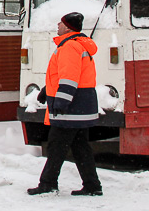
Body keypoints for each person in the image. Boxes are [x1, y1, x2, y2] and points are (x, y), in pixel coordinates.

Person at [28, 12, 103, 197]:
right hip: (81, 106)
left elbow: (69, 77)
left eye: (60, 23)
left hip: (71, 108)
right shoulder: (78, 45)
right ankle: (92, 186)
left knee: (56, 146)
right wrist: (48, 89)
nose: (57, 26)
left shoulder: (68, 46)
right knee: (80, 147)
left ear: (68, 27)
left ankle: (48, 183)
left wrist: (61, 100)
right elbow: (68, 74)